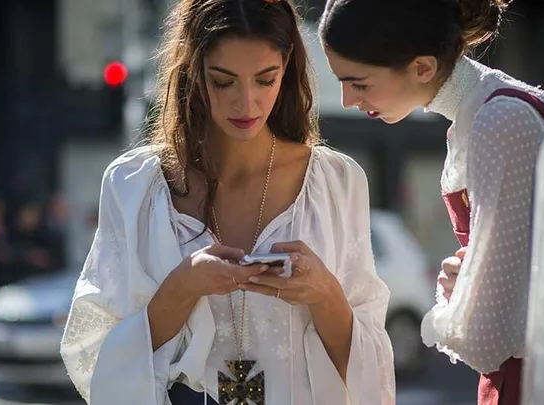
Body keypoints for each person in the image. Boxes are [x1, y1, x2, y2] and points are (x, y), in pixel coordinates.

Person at [60, 1, 394, 404]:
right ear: (195, 71)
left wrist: (324, 293)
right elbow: (94, 358)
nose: (246, 103)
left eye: (265, 80)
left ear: (286, 66)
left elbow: (373, 378)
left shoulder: (337, 183)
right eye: (224, 82)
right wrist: (181, 289)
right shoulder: (134, 186)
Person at [318, 0, 544, 404]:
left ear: (423, 68)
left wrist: (452, 306)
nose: (347, 100)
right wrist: (468, 289)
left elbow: (486, 337)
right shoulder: (493, 110)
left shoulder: (498, 120)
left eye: (358, 83)